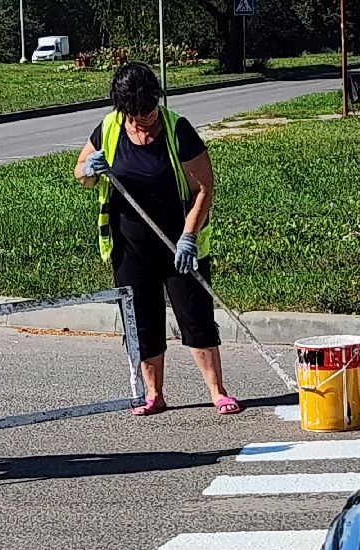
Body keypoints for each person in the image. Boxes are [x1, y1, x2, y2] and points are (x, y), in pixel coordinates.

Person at [74, 63, 240, 416]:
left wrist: (189, 237)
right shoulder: (108, 128)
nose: (143, 119)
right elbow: (81, 174)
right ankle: (154, 394)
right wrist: (90, 170)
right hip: (129, 247)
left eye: (149, 110)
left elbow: (204, 188)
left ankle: (217, 390)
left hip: (177, 245)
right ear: (123, 108)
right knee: (143, 320)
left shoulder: (177, 129)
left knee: (195, 317)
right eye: (135, 114)